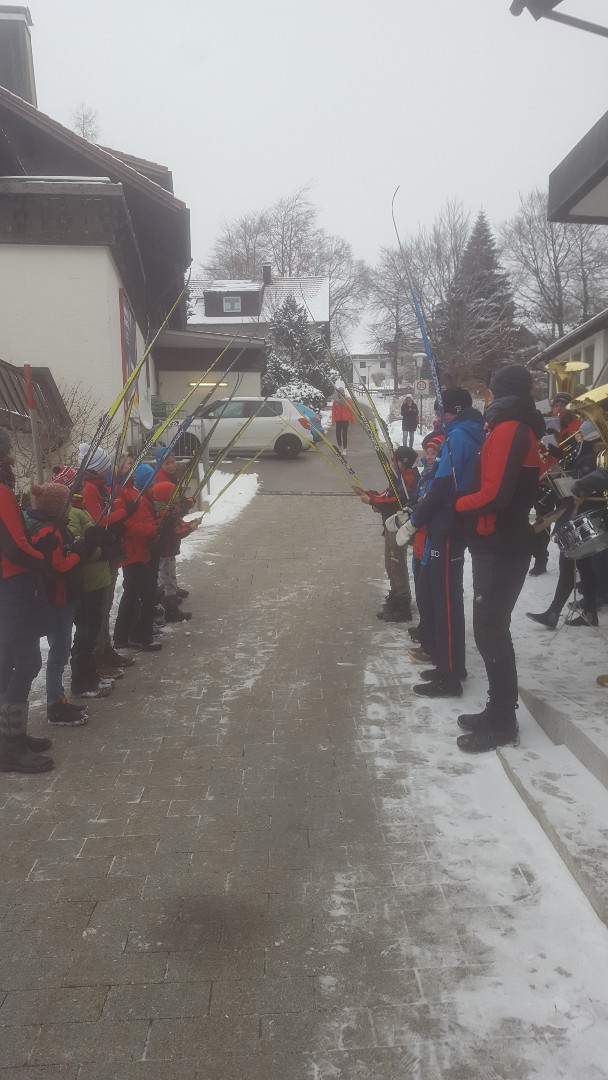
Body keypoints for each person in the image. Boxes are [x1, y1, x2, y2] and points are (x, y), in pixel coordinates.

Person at [454, 365, 544, 752]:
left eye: (489, 391)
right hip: (500, 539)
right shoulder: (512, 427)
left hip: (502, 542)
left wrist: (456, 505)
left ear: (498, 392)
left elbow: (496, 495)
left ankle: (504, 720)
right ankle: (497, 710)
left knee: (490, 629)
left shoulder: (510, 429)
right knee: (491, 627)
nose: (486, 397)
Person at [394, 388, 486, 698]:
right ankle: (450, 664)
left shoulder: (458, 436)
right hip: (449, 523)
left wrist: (415, 520)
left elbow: (442, 486)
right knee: (444, 598)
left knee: (444, 601)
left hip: (446, 526)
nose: (436, 418)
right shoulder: (468, 431)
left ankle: (449, 677)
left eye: (439, 412)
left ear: (455, 410)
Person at [0, 427, 54, 772]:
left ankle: (8, 735)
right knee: (28, 661)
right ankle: (11, 744)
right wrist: (42, 557)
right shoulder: (1, 491)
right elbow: (13, 546)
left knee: (6, 661)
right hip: (13, 585)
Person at [527, 421, 602, 631]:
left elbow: (585, 479)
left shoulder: (594, 454)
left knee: (568, 563)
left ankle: (553, 613)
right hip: (577, 511)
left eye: (583, 434)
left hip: (579, 513)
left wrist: (565, 477)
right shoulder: (585, 451)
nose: (579, 436)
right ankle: (589, 613)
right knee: (583, 566)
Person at [24, 483, 88, 726]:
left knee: (59, 651)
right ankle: (55, 704)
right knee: (59, 652)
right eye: (67, 503)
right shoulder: (49, 532)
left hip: (56, 597)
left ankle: (57, 699)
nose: (71, 506)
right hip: (57, 598)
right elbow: (58, 566)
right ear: (57, 507)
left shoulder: (48, 528)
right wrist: (80, 552)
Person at [356, 447, 419, 622]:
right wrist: (369, 495)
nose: (392, 464)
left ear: (402, 463)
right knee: (389, 565)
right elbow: (386, 495)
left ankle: (403, 606)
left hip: (398, 528)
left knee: (396, 567)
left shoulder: (407, 480)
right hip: (390, 527)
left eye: (394, 461)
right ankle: (394, 597)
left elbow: (394, 500)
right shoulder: (397, 479)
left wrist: (373, 500)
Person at [113, 464, 161, 652]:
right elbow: (126, 524)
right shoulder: (121, 493)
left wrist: (156, 527)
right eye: (127, 464)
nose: (131, 467)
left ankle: (122, 636)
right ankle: (141, 636)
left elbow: (143, 517)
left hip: (139, 550)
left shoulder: (131, 491)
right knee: (148, 591)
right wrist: (151, 530)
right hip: (131, 552)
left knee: (132, 593)